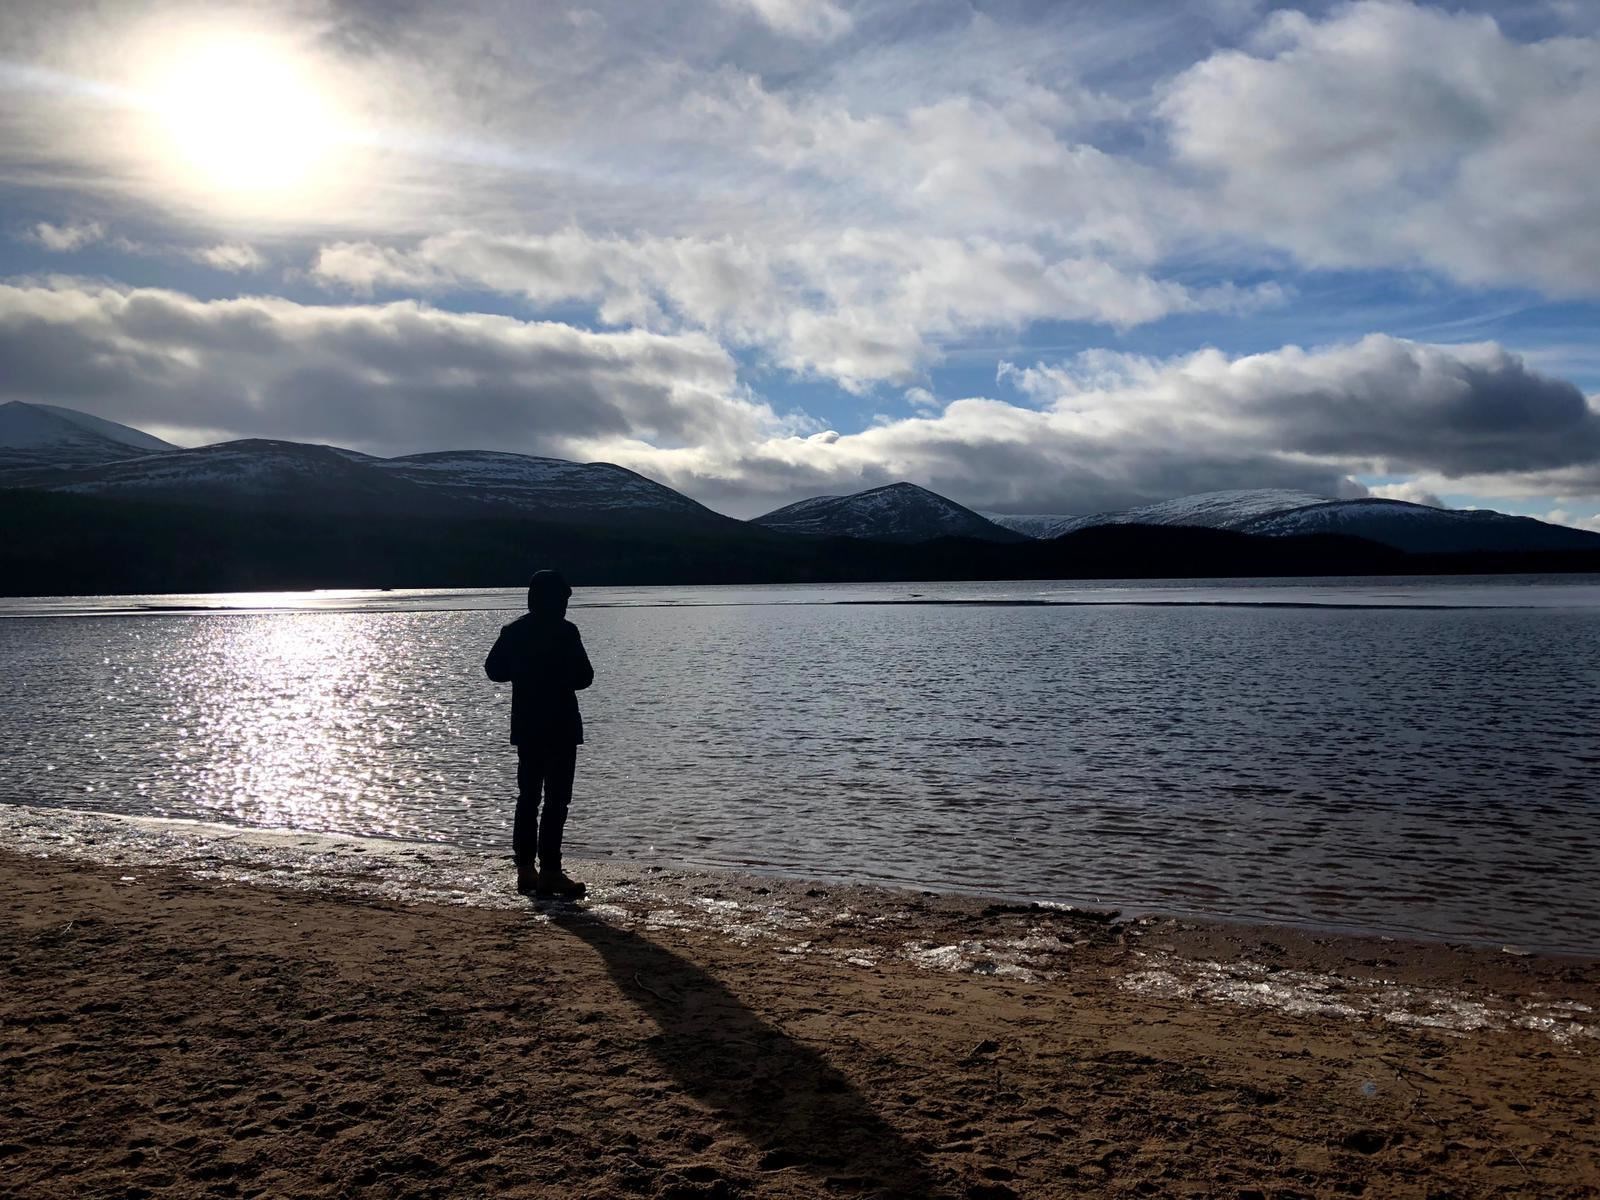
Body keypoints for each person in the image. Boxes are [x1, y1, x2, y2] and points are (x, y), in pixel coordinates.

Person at [484, 569, 594, 899]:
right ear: (555, 599)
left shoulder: (514, 631)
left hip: (527, 726)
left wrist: (523, 673)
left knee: (528, 797)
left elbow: (493, 670)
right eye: (563, 599)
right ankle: (550, 871)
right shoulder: (565, 632)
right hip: (560, 725)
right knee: (556, 800)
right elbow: (585, 677)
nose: (564, 606)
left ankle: (525, 870)